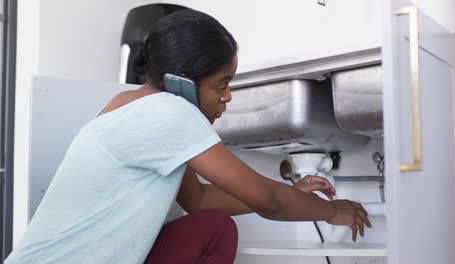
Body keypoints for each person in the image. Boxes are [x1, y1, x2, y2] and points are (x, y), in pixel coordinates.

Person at [5, 9, 371, 264]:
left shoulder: (128, 103)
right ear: (182, 83)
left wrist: (291, 193)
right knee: (214, 229)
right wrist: (332, 211)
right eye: (221, 85)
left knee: (211, 227)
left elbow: (199, 199)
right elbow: (268, 201)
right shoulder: (169, 111)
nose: (227, 97)